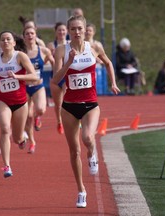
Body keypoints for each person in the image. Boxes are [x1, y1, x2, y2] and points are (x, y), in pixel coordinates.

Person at [51, 15, 120, 208]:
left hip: (90, 104)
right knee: (74, 151)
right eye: (72, 29)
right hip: (69, 106)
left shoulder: (94, 48)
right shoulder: (61, 50)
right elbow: (56, 79)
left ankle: (92, 154)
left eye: (79, 28)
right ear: (68, 31)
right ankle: (81, 190)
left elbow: (108, 63)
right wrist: (68, 62)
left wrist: (113, 82)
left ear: (85, 29)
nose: (76, 32)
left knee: (88, 137)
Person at [0, 31, 39, 178]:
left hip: (20, 102)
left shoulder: (20, 57)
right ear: (0, 44)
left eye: (8, 39)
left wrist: (17, 76)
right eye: (3, 40)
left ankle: (22, 139)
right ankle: (6, 166)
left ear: (13, 43)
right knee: (5, 129)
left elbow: (34, 77)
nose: (5, 42)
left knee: (17, 138)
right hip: (2, 100)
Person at [23, 26, 55, 153]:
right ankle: (32, 142)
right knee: (28, 116)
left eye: (32, 33)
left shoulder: (43, 50)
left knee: (41, 109)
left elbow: (53, 62)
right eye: (27, 34)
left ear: (36, 36)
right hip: (24, 87)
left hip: (37, 86)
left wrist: (57, 74)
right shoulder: (20, 53)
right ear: (24, 37)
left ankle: (38, 117)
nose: (30, 36)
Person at [47, 22, 70, 134]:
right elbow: (47, 59)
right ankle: (59, 121)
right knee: (58, 104)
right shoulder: (51, 45)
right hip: (56, 77)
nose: (61, 32)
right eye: (59, 30)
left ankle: (75, 120)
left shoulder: (70, 44)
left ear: (67, 31)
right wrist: (51, 56)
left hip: (67, 77)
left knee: (69, 100)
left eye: (63, 30)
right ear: (56, 32)